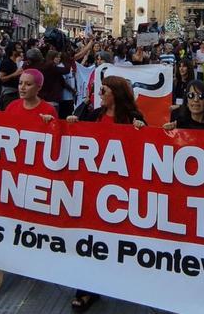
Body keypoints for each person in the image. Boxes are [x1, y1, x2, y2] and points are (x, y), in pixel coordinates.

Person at [65, 75, 145, 311]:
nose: (99, 94)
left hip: (119, 192)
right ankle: (86, 289)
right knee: (91, 241)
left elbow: (147, 149)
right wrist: (69, 122)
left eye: (103, 91)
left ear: (116, 94)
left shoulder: (133, 118)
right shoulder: (92, 114)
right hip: (93, 189)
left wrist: (141, 130)